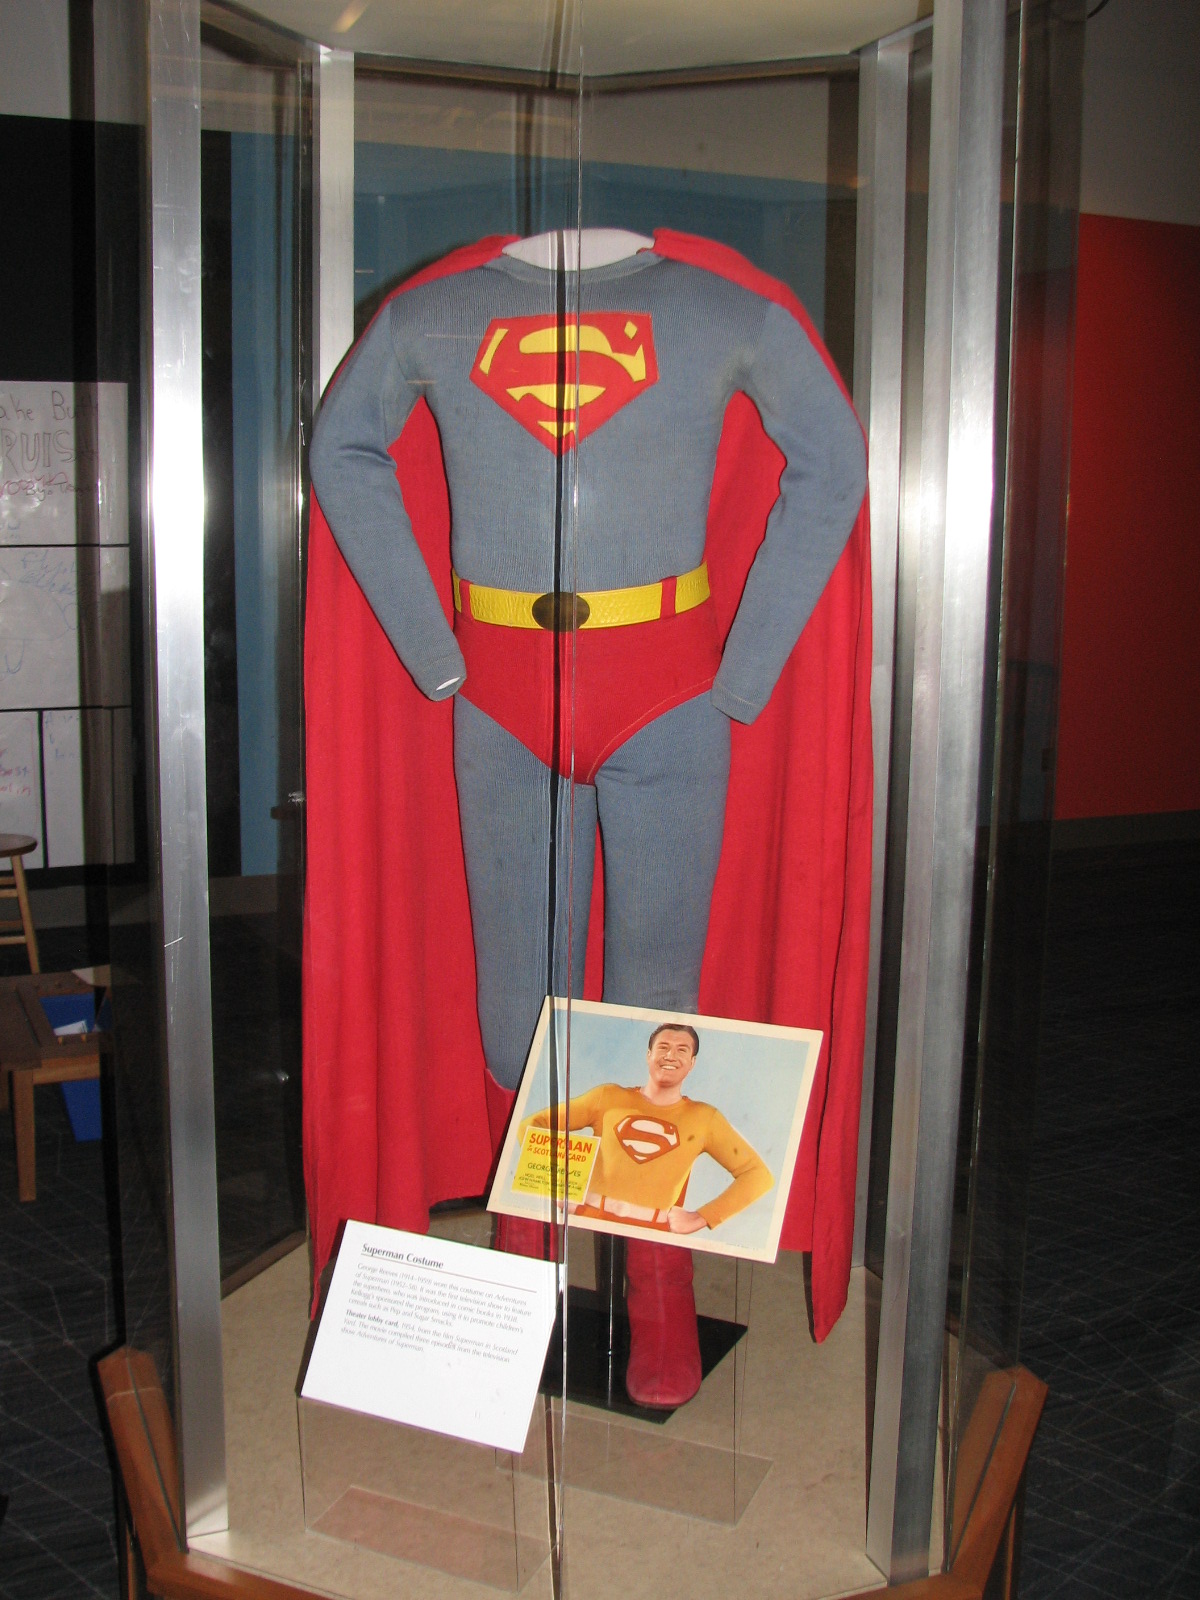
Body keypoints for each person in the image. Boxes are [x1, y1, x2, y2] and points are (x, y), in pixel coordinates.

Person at [522, 1022, 772, 1235]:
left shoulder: (705, 1118)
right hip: (587, 1220)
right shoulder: (607, 1096)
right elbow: (532, 1125)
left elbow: (757, 1174)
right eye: (663, 1047)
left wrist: (701, 1217)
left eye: (682, 1050)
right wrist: (556, 1184)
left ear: (692, 1062)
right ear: (648, 1055)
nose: (670, 1055)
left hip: (654, 1235)